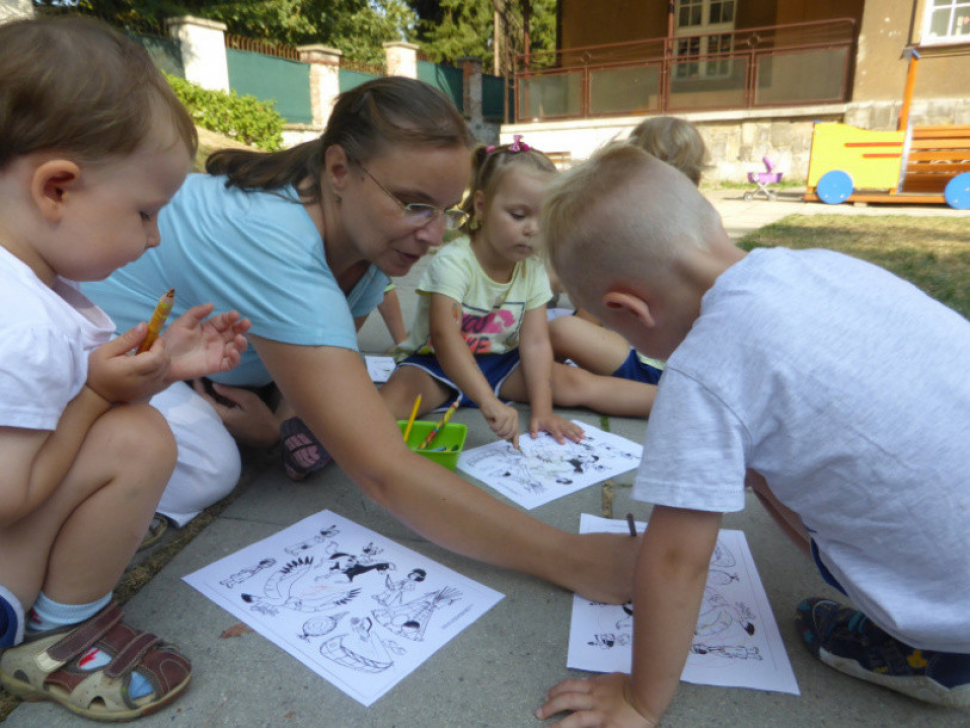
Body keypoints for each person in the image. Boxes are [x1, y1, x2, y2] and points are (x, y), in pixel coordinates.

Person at [84, 77, 640, 605]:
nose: (432, 236)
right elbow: (383, 469)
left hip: (193, 366)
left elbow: (321, 365)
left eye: (445, 212)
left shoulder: (367, 241)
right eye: (413, 203)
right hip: (101, 357)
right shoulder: (273, 239)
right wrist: (570, 556)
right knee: (211, 463)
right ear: (338, 169)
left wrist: (280, 422)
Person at [535, 145, 970, 726]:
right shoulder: (824, 264)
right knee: (755, 462)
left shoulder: (705, 367)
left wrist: (640, 699)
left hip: (953, 605)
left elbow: (675, 562)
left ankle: (929, 653)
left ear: (628, 310)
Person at [0, 16, 250, 721]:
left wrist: (161, 369)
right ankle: (60, 636)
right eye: (145, 211)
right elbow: (8, 495)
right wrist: (92, 396)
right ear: (57, 188)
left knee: (134, 423)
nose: (155, 236)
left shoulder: (23, 285)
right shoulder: (19, 319)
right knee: (140, 439)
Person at [378, 139, 657, 446]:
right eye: (519, 215)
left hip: (500, 364)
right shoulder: (454, 262)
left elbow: (536, 342)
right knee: (389, 405)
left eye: (543, 218)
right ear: (482, 206)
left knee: (576, 383)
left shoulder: (532, 267)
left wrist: (543, 411)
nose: (532, 229)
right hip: (434, 365)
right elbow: (445, 338)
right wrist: (487, 400)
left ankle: (679, 399)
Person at [547, 117, 707, 388]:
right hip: (683, 359)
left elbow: (591, 312)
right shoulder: (702, 220)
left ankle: (653, 396)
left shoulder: (634, 227)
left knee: (561, 331)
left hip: (652, 363)